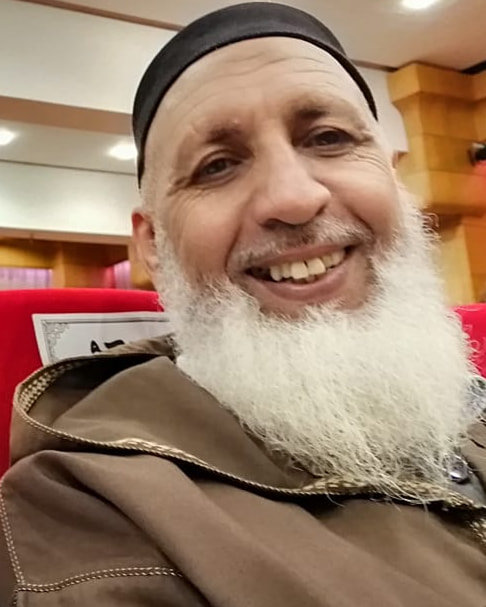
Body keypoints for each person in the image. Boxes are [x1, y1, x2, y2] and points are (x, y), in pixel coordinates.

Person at [1, 3, 486, 605]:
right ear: (153, 245)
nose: (294, 197)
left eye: (329, 138)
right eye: (218, 167)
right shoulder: (93, 506)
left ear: (394, 180)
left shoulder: (462, 389)